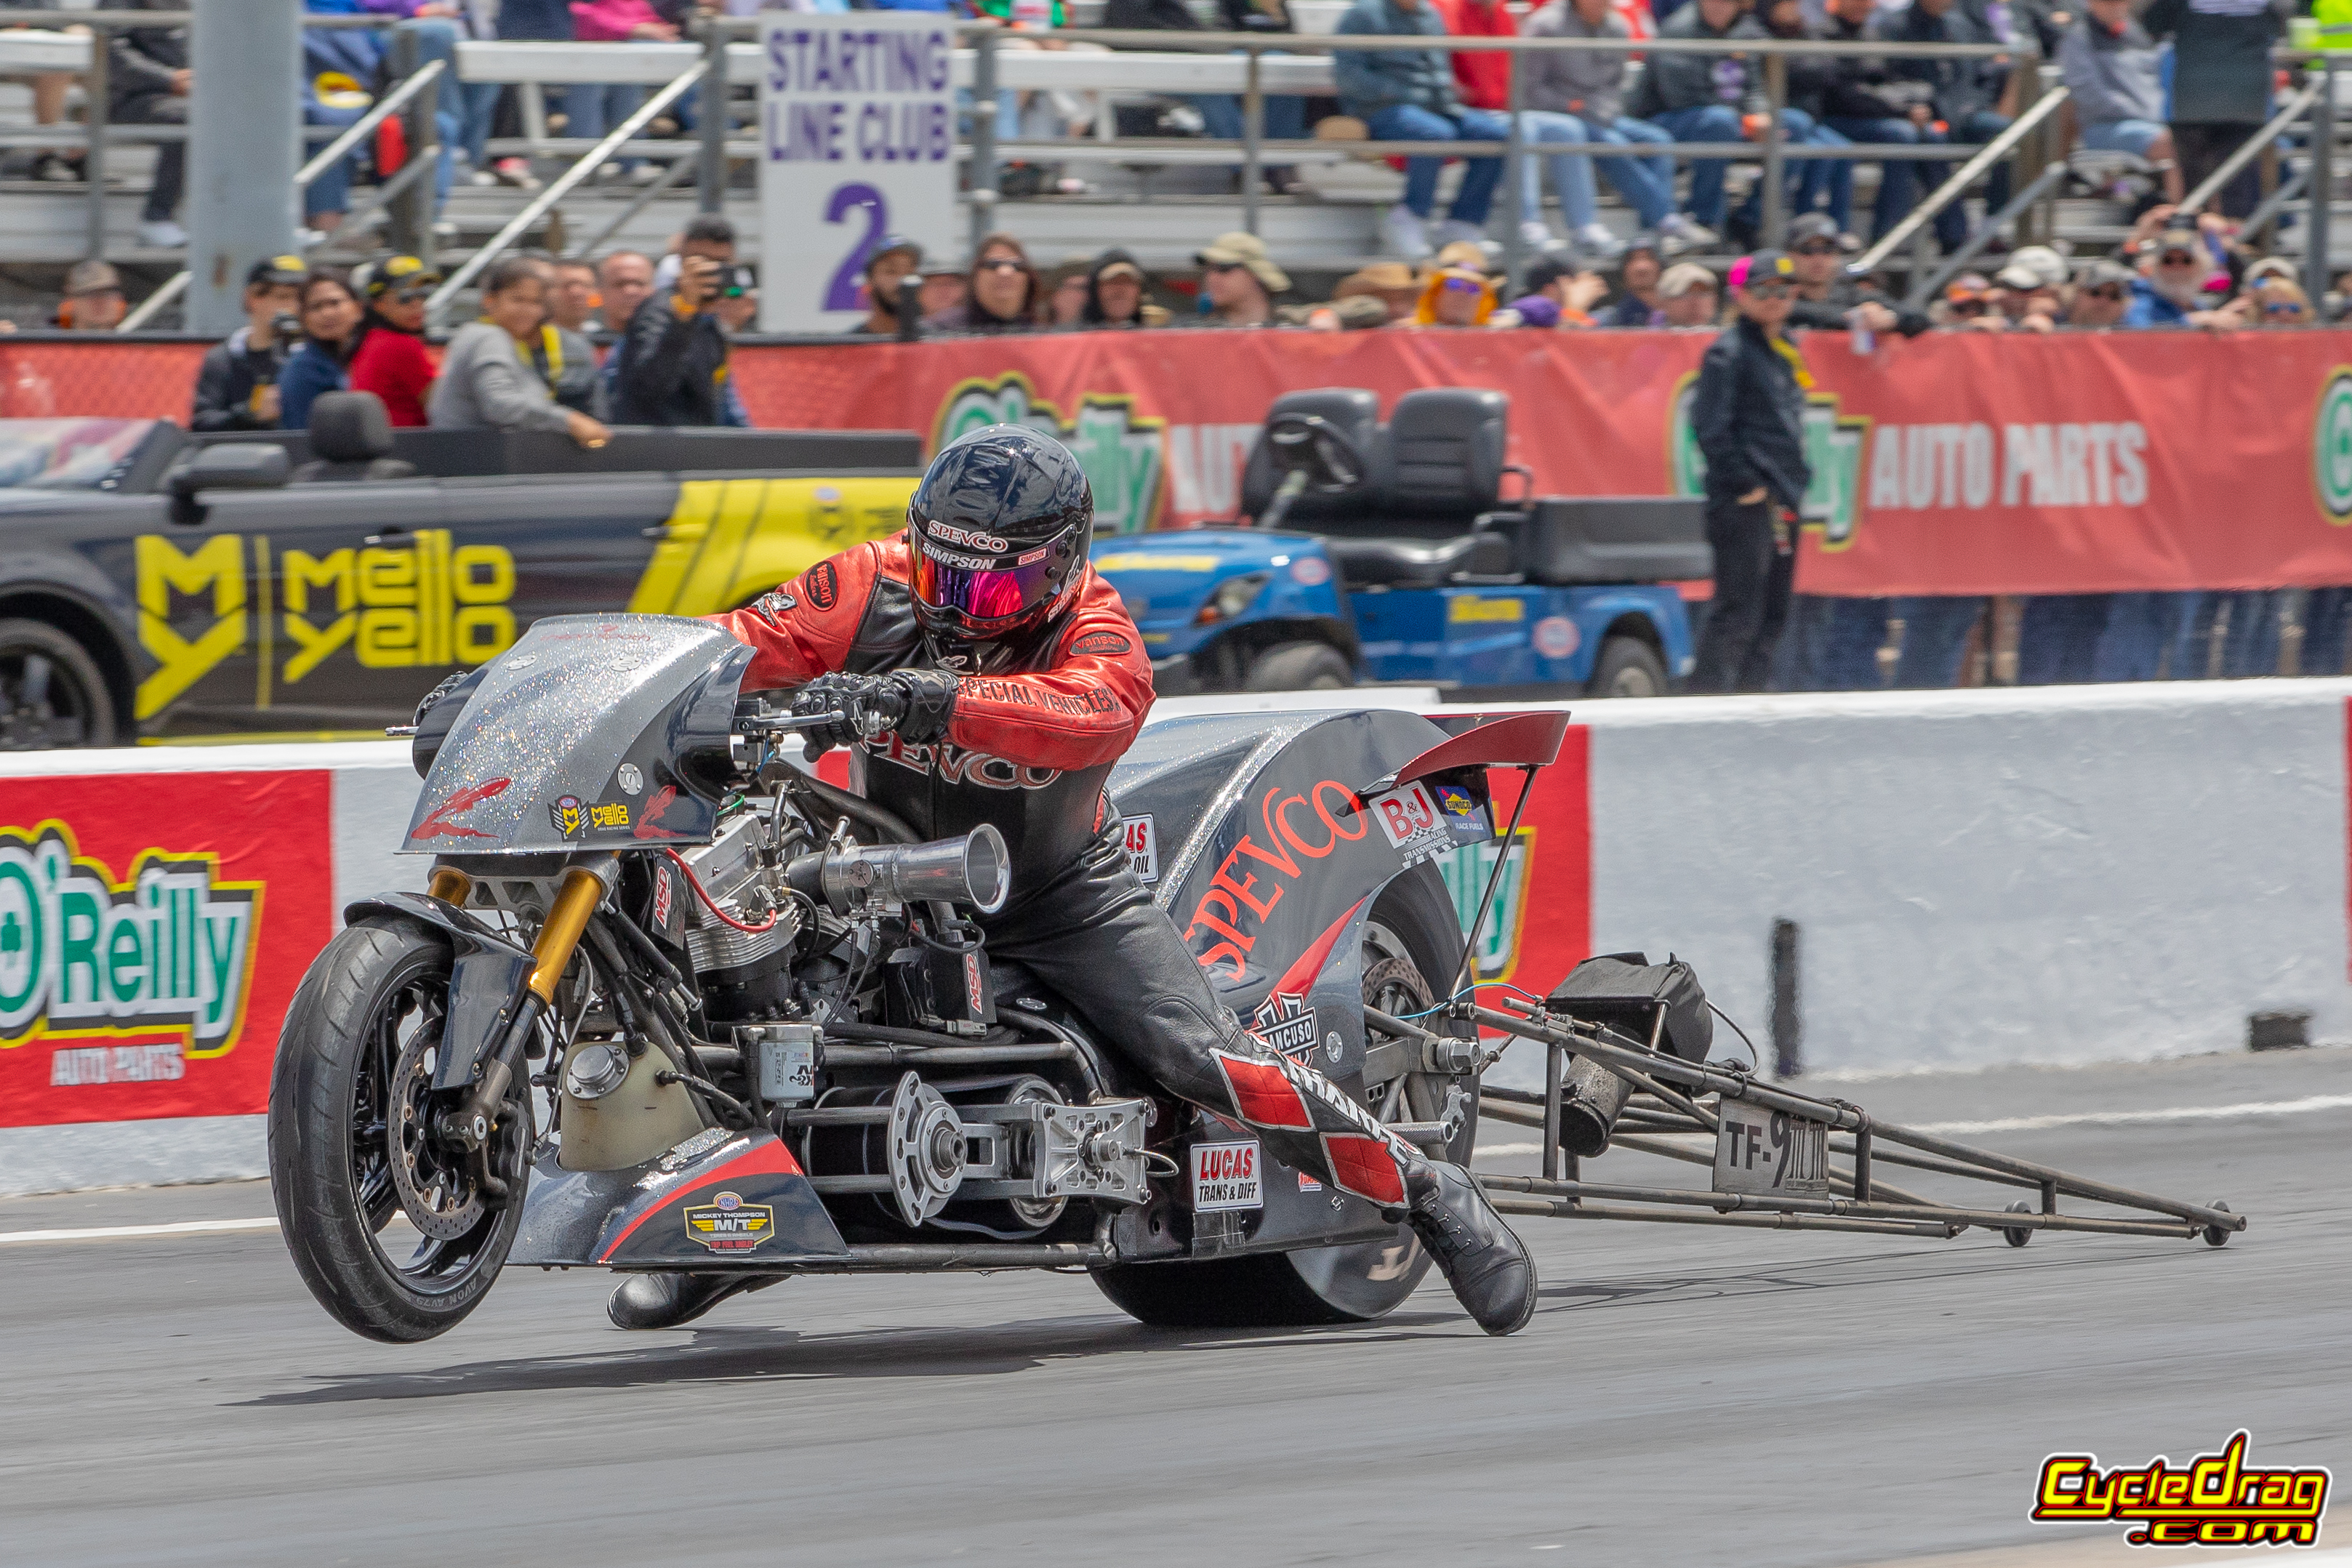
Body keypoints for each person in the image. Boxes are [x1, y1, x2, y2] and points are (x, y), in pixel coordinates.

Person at [606, 425, 1538, 1335]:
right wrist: (600, 681)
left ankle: (1428, 1190)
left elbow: (1094, 712)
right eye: (944, 571)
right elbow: (729, 644)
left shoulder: (1096, 623)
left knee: (1202, 1056)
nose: (963, 600)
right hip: (879, 880)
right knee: (734, 990)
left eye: (997, 579)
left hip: (1060, 897)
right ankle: (723, 1231)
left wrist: (947, 699)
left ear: (1059, 565)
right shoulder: (867, 582)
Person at [1689, 251, 1810, 693]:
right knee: (1738, 607)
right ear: (1741, 296)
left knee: (1775, 609)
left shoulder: (1784, 347)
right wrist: (1747, 483)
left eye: (1784, 290)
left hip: (1784, 497)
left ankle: (1751, 699)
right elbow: (1709, 427)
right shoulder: (1728, 353)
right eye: (1763, 291)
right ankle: (1706, 704)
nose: (1775, 299)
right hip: (1746, 500)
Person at [1335, 0, 1512, 262]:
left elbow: (1440, 70)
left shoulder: (1430, 15)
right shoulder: (1362, 15)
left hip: (1436, 107)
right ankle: (1410, 216)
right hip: (1380, 109)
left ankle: (1463, 224)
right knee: (1434, 133)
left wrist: (1449, 93)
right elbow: (1349, 75)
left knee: (1494, 135)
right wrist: (1399, 91)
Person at [1437, 0, 1602, 258]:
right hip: (1470, 111)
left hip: (1507, 108)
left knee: (1568, 129)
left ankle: (1584, 225)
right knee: (1520, 130)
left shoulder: (1503, 12)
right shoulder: (1450, 11)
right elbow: (1446, 73)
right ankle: (1527, 224)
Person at [1525, 0, 1687, 252]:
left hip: (1603, 113)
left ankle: (1652, 234)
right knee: (1612, 143)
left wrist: (1605, 109)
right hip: (1560, 114)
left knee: (1658, 140)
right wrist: (1571, 105)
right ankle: (1666, 219)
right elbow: (1529, 90)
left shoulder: (1618, 25)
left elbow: (1616, 85)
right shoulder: (1545, 25)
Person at [1625, 0, 1771, 245]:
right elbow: (1680, 97)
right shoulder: (1678, 30)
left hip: (1727, 117)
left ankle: (1750, 219)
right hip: (1662, 120)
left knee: (1792, 125)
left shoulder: (1744, 31)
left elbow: (1755, 86)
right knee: (1719, 123)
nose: (1721, 7)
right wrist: (1743, 119)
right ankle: (1703, 218)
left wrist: (1760, 113)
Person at [430, 257, 614, 446]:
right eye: (517, 299)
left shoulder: (497, 338)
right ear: (490, 300)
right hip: (473, 459)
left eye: (536, 302)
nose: (527, 310)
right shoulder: (488, 337)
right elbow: (501, 404)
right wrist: (570, 421)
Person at [1884, 0, 2012, 254]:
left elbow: (1982, 74)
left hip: (1964, 114)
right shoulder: (1894, 26)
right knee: (1933, 138)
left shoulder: (1959, 24)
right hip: (1923, 116)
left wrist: (1973, 105)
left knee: (2006, 133)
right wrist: (1911, 106)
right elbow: (1887, 78)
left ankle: (1992, 224)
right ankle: (1954, 235)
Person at [2143, 0, 2288, 220]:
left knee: (2197, 189)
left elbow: (2152, 24)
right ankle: (2236, 244)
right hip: (2244, 102)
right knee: (2238, 184)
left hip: (2194, 102)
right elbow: (2280, 26)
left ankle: (2209, 241)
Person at [1817, 0, 1938, 244]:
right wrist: (1903, 111)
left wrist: (1914, 105)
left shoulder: (1871, 34)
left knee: (1933, 135)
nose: (1861, 5)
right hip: (1833, 119)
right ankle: (1888, 233)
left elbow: (1886, 81)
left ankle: (1942, 232)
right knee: (1902, 134)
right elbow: (1843, 95)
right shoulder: (1820, 34)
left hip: (1873, 116)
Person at [2062, 0, 2182, 204]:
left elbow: (2159, 83)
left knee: (2196, 138)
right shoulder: (2078, 38)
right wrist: (2148, 114)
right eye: (2108, 2)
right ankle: (2180, 219)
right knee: (2172, 142)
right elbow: (2089, 95)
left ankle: (2207, 218)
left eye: (2121, 1)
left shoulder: (2137, 34)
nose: (2116, 6)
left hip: (2152, 123)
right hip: (2106, 126)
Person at [610, 241, 734, 425]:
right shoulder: (658, 309)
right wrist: (683, 315)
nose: (713, 273)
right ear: (683, 264)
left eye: (721, 263)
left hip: (698, 444)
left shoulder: (712, 323)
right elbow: (650, 386)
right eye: (704, 263)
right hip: (655, 445)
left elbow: (717, 400)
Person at [100, 0, 191, 249]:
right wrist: (169, 79)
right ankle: (156, 217)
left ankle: (264, 213)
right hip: (133, 97)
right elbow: (112, 54)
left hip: (190, 93)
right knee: (186, 118)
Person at [192, 256, 310, 432]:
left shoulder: (312, 356)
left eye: (300, 299)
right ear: (252, 299)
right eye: (283, 297)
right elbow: (202, 423)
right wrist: (250, 413)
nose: (294, 307)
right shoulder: (223, 359)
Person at [1782, 213, 1926, 336]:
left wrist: (1890, 319)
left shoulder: (1851, 293)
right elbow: (1790, 309)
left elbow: (1918, 317)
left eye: (1827, 250)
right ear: (1789, 256)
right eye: (1807, 251)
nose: (1818, 259)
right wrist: (1851, 317)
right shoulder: (1777, 293)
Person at [348, 255, 442, 428]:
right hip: (403, 447)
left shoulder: (371, 339)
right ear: (379, 304)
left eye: (423, 294)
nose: (417, 304)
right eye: (405, 296)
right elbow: (442, 407)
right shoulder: (400, 345)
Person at [279, 269, 364, 431]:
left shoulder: (370, 356)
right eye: (316, 307)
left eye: (334, 303)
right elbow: (300, 437)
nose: (327, 313)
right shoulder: (302, 370)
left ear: (358, 309)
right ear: (303, 319)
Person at [923, 234, 1043, 334]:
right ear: (976, 276)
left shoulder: (1040, 333)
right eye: (993, 264)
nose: (1006, 272)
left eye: (1016, 265)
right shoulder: (941, 329)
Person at [1195, 231, 1288, 326]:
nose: (1211, 277)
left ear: (1255, 274)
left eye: (1224, 268)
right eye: (1208, 269)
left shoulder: (1293, 327)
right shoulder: (1198, 334)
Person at [1498, 254, 1608, 327]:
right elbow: (1496, 326)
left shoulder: (1558, 314)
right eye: (1573, 282)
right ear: (1550, 289)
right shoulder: (1537, 303)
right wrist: (1574, 308)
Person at [853, 236, 924, 338]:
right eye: (891, 271)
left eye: (910, 273)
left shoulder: (939, 342)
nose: (903, 280)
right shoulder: (847, 346)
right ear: (870, 280)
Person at [1080, 251, 1171, 329]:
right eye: (1112, 282)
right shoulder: (1076, 337)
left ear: (1140, 290)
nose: (1120, 290)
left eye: (1128, 282)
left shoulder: (1160, 335)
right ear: (1096, 290)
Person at [1602, 235, 1666, 324]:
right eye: (1632, 260)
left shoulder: (1679, 311)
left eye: (1649, 258)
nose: (1641, 267)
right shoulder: (1611, 318)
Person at [1413, 264, 1500, 326]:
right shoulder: (1410, 336)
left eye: (1473, 288)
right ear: (1434, 293)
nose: (1462, 294)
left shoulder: (1495, 338)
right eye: (1454, 284)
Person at [56, 259, 127, 331]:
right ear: (70, 302)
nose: (99, 301)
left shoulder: (135, 338)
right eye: (90, 294)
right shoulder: (51, 340)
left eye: (108, 293)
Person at [2064, 257, 2136, 329]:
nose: (2103, 302)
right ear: (2077, 294)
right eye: (2096, 293)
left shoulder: (2132, 335)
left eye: (2114, 296)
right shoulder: (2054, 331)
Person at [597, 249, 657, 334]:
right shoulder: (584, 345)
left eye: (639, 284)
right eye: (620, 284)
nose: (630, 291)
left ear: (654, 289)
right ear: (601, 291)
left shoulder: (673, 344)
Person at [1658, 260, 1721, 326]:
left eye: (1704, 294)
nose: (1695, 302)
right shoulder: (1650, 333)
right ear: (1663, 302)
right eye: (1685, 295)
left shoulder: (1727, 333)